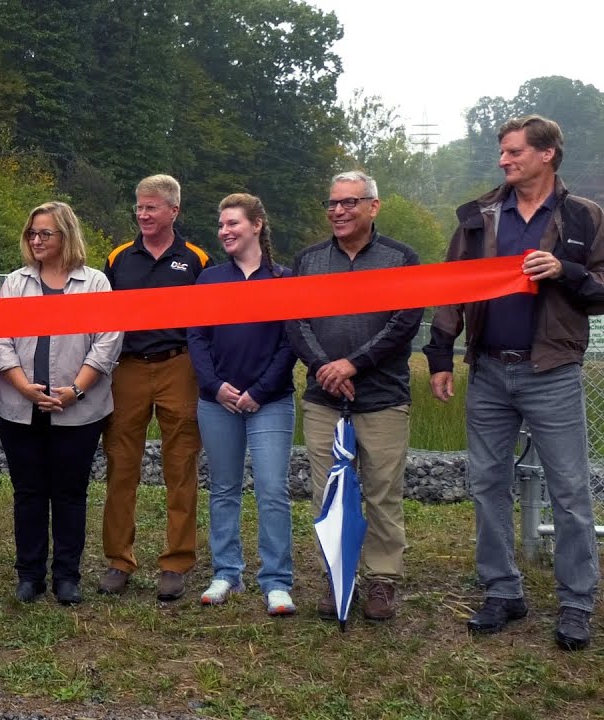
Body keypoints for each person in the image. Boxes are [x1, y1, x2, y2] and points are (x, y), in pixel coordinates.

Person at [423, 115, 604, 651]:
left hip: (552, 370)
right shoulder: (480, 215)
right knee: (486, 484)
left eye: (514, 151)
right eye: (502, 153)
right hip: (488, 371)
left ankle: (577, 603)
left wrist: (567, 271)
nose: (503, 160)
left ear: (547, 154)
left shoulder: (584, 216)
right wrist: (439, 355)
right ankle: (503, 590)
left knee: (570, 491)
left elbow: (600, 290)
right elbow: (450, 287)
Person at [286, 170, 421, 622]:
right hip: (325, 400)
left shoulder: (401, 259)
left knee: (383, 492)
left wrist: (354, 364)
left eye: (349, 203)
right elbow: (296, 321)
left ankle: (382, 580)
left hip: (382, 398)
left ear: (373, 207)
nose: (339, 211)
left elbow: (403, 323)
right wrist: (327, 367)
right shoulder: (307, 261)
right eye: (333, 204)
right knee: (328, 495)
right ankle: (337, 576)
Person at [0, 201, 122, 606]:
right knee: (28, 492)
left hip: (78, 409)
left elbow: (108, 340)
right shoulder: (15, 283)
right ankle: (29, 575)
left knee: (70, 493)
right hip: (18, 407)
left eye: (45, 233)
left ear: (66, 235)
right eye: (32, 233)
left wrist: (75, 390)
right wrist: (23, 386)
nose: (36, 240)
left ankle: (67, 576)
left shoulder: (96, 283)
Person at [99, 174, 208, 601]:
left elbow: (206, 319)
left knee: (180, 465)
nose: (143, 215)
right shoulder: (118, 258)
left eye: (152, 208)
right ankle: (118, 561)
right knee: (120, 464)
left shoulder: (196, 259)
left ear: (173, 211)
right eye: (139, 207)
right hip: (127, 368)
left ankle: (176, 562)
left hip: (178, 365)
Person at [187, 193, 297, 616]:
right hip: (218, 402)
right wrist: (216, 387)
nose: (225, 231)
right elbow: (196, 337)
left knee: (272, 490)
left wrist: (259, 390)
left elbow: (290, 342)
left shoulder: (283, 279)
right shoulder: (210, 280)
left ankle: (276, 581)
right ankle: (226, 572)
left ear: (257, 225)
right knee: (224, 489)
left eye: (233, 223)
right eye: (221, 225)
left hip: (270, 402)